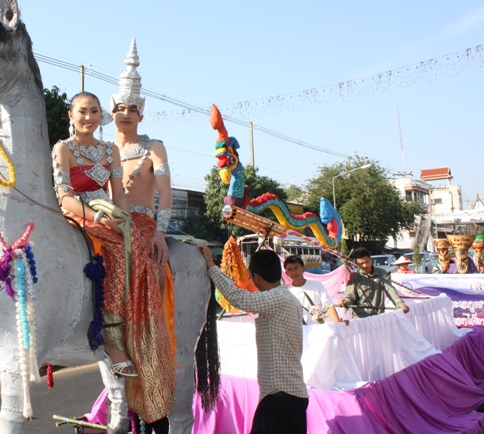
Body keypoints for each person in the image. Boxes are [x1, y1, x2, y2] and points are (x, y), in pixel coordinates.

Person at [108, 39, 177, 430]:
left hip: (141, 227)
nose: (125, 114)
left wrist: (161, 233)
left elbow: (165, 193)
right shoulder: (100, 149)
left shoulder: (155, 148)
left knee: (131, 255)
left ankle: (138, 343)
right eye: (118, 109)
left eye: (131, 109)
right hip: (104, 222)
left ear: (141, 113)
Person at [52, 91, 132, 375]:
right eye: (82, 111)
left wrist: (123, 219)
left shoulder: (111, 150)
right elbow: (64, 197)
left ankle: (140, 330)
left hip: (109, 214)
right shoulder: (63, 149)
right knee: (113, 253)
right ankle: (112, 341)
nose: (89, 117)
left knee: (138, 251)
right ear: (71, 116)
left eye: (95, 111)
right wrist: (98, 217)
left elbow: (119, 195)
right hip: (78, 214)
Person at [199, 244, 309, 434]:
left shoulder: (278, 298)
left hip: (281, 397)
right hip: (285, 396)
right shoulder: (286, 298)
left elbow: (239, 298)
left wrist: (211, 265)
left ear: (255, 276)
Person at [339, 247, 409, 318]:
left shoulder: (382, 273)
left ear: (371, 260)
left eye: (367, 262)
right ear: (356, 264)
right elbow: (350, 296)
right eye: (361, 263)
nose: (365, 265)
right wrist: (345, 302)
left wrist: (399, 303)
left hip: (377, 317)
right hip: (359, 319)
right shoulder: (355, 276)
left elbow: (389, 289)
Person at [283, 255, 342, 324]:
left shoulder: (317, 286)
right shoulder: (284, 291)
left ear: (303, 268)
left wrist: (338, 325)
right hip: (296, 331)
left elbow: (328, 306)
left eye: (296, 268)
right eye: (290, 269)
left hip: (317, 329)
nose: (294, 272)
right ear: (286, 273)